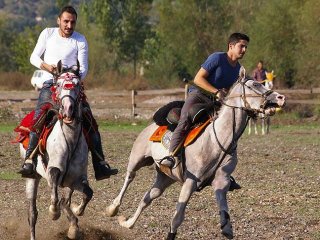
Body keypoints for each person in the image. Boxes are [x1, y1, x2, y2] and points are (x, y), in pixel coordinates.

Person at [18, 5, 118, 180]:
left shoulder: (80, 40)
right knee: (39, 117)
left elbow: (84, 67)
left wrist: (71, 77)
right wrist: (46, 67)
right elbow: (33, 57)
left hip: (72, 86)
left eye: (72, 22)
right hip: (50, 85)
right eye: (66, 21)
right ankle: (29, 161)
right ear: (59, 21)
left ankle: (100, 164)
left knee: (90, 121)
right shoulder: (47, 33)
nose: (69, 25)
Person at [162, 32, 250, 190]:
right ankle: (171, 156)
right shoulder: (217, 58)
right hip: (198, 95)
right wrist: (216, 92)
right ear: (231, 46)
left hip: (216, 102)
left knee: (226, 131)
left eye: (245, 47)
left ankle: (223, 172)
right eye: (241, 46)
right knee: (186, 119)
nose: (244, 50)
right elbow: (198, 79)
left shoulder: (238, 69)